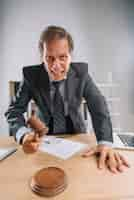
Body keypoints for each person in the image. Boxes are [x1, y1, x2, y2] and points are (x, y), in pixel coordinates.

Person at [5, 25, 129, 173]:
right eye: (49, 58)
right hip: (42, 139)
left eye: (62, 57)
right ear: (42, 57)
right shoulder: (31, 76)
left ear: (70, 56)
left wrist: (105, 142)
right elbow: (13, 112)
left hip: (76, 135)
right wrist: (23, 135)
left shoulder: (81, 73)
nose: (56, 66)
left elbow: (98, 106)